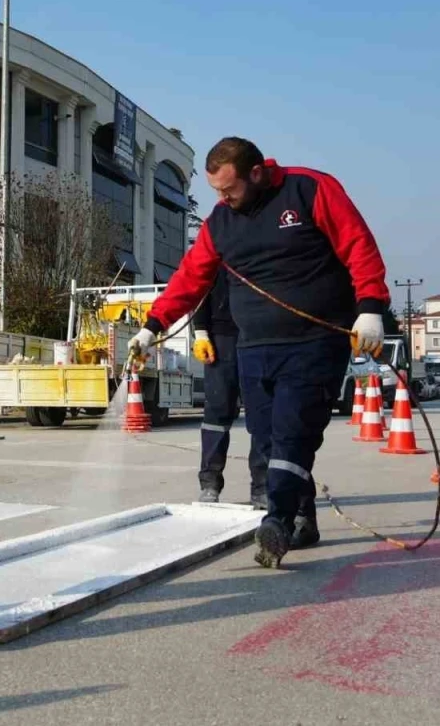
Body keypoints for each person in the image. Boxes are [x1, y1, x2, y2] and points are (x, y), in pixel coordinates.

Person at [130, 138, 389, 568]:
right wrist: (151, 327)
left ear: (255, 173)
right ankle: (303, 514)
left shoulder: (309, 190)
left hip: (314, 341)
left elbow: (358, 246)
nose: (222, 199)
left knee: (292, 433)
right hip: (254, 347)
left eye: (228, 189)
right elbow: (190, 278)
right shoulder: (220, 222)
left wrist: (370, 309)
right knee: (267, 441)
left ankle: (278, 522)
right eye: (215, 191)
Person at [191, 269, 266, 508]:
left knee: (261, 412)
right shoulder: (219, 242)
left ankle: (262, 487)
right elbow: (199, 287)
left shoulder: (262, 246)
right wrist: (201, 331)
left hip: (258, 335)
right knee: (217, 411)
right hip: (220, 337)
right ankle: (210, 484)